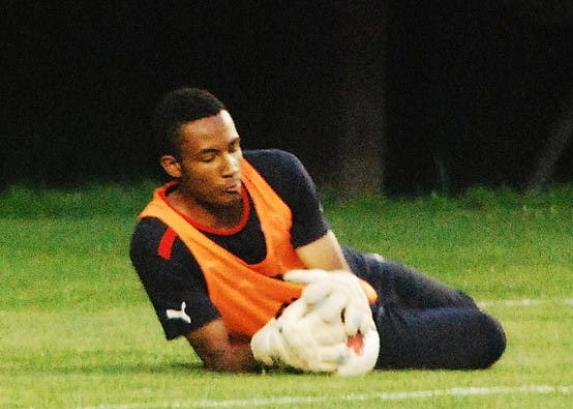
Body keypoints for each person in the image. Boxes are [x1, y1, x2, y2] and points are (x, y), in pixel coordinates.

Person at [130, 87, 506, 374]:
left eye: (234, 148)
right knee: (485, 334)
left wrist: (348, 306)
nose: (231, 167)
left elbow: (336, 277)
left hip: (345, 286)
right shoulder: (159, 241)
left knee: (462, 307)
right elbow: (218, 354)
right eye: (210, 157)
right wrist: (278, 351)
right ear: (173, 166)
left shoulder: (279, 172)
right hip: (316, 329)